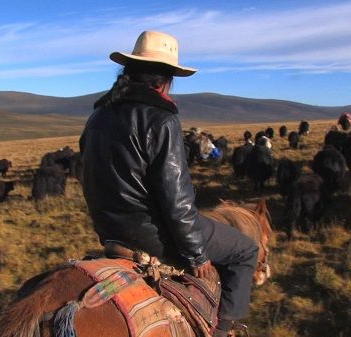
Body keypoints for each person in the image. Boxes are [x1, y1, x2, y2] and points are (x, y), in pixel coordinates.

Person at [79, 31, 258, 337]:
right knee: (245, 250)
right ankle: (222, 329)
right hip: (153, 237)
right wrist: (196, 255)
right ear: (166, 80)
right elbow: (176, 201)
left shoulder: (97, 116)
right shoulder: (160, 118)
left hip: (111, 234)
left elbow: (89, 180)